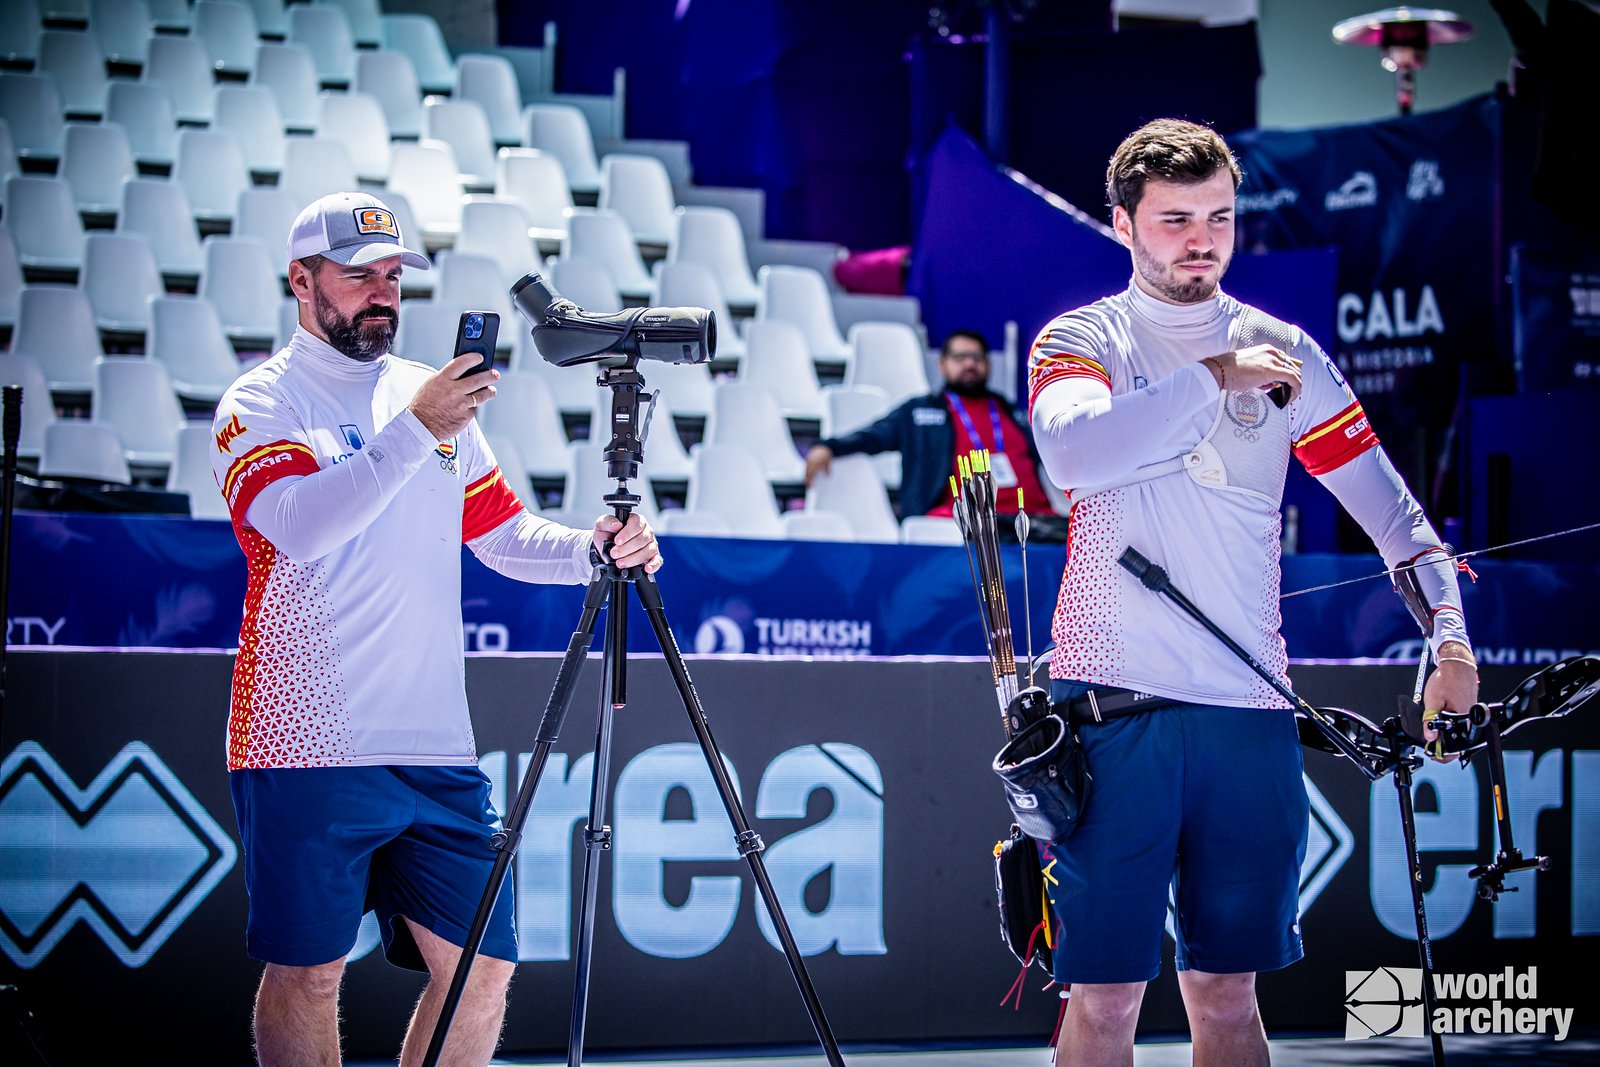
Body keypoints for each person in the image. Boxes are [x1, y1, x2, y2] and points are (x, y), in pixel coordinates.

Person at [1026, 120, 1478, 1066]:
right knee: (1102, 1002)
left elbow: (1398, 519)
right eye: (1176, 219)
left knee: (1226, 993)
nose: (1202, 238)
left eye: (1220, 218)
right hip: (1115, 712)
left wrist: (1451, 642)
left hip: (1249, 712)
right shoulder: (1082, 339)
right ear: (1124, 225)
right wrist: (1212, 379)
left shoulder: (1289, 352)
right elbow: (1072, 457)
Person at [209, 191, 662, 1066]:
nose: (383, 292)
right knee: (307, 975)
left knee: (484, 968)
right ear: (301, 283)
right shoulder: (260, 399)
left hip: (437, 745)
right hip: (303, 739)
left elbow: (501, 534)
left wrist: (594, 550)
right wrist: (417, 430)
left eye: (393, 275)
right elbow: (297, 526)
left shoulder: (432, 397)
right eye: (358, 276)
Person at [804, 329, 1061, 534]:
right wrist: (828, 446)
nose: (970, 364)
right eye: (960, 357)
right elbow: (873, 435)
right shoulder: (920, 412)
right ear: (942, 364)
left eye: (978, 357)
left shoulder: (1012, 411)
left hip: (1032, 522)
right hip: (958, 523)